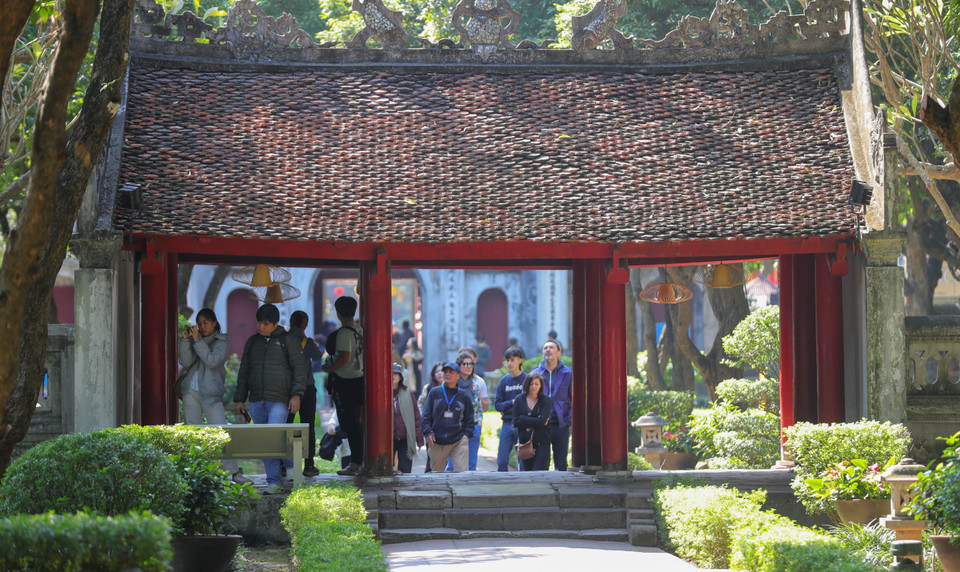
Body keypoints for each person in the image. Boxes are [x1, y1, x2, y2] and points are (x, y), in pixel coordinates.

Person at [234, 303, 308, 494]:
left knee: (275, 436)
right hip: (257, 399)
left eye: (265, 323)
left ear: (275, 324)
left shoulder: (288, 341)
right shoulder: (252, 342)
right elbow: (244, 372)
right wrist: (240, 398)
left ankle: (288, 467)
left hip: (280, 399)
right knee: (267, 441)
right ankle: (274, 481)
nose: (260, 327)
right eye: (259, 322)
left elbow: (300, 370)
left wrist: (296, 395)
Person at [178, 308, 249, 484]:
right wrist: (186, 340)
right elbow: (185, 362)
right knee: (193, 431)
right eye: (199, 323)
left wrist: (197, 341)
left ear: (214, 323)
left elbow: (211, 361)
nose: (202, 327)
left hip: (210, 392)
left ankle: (232, 472)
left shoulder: (222, 341)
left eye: (206, 323)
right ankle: (197, 471)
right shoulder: (196, 339)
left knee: (220, 431)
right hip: (190, 390)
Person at [321, 296, 365, 476]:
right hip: (359, 380)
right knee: (354, 422)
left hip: (346, 381)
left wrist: (330, 368)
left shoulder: (344, 333)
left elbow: (345, 357)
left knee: (350, 423)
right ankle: (358, 460)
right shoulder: (359, 329)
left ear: (338, 313)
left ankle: (356, 462)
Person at [287, 310, 325, 477]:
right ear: (305, 324)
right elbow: (317, 356)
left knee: (285, 424)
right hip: (307, 387)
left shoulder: (283, 339)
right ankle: (309, 465)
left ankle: (284, 465)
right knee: (308, 425)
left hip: (287, 388)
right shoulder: (304, 341)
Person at [421, 362, 474, 472]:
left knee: (462, 473)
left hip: (458, 440)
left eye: (451, 372)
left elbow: (470, 418)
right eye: (445, 372)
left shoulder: (464, 396)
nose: (447, 374)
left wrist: (466, 435)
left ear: (458, 376)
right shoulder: (435, 392)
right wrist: (428, 432)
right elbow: (426, 415)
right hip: (437, 440)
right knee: (435, 475)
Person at [533, 339, 573, 472]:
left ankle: (562, 490)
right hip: (541, 424)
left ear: (559, 353)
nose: (548, 350)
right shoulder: (535, 374)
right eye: (545, 348)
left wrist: (568, 419)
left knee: (561, 463)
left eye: (551, 348)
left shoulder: (568, 374)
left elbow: (574, 399)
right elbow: (527, 397)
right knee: (541, 462)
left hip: (560, 423)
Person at [449, 349, 488, 471]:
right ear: (459, 366)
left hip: (473, 425)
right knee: (452, 465)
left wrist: (479, 422)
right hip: (454, 426)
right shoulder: (452, 382)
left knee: (471, 465)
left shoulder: (478, 382)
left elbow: (483, 405)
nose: (468, 367)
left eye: (470, 364)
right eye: (465, 364)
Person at [494, 346, 526, 472]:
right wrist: (513, 402)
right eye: (508, 360)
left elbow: (529, 402)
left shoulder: (527, 380)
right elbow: (497, 405)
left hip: (523, 424)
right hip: (507, 424)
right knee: (501, 461)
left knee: (523, 462)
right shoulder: (504, 381)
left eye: (512, 360)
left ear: (520, 360)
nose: (509, 363)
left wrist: (507, 405)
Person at [512, 371, 552, 471]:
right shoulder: (519, 399)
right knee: (528, 473)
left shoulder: (545, 400)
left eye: (536, 384)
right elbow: (516, 422)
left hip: (542, 443)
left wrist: (523, 418)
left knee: (538, 472)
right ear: (527, 384)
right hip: (525, 443)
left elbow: (542, 421)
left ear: (540, 386)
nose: (533, 386)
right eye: (531, 384)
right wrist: (536, 420)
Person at [392, 363, 423, 474]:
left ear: (400, 377)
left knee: (405, 469)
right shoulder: (381, 392)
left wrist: (419, 438)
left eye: (396, 373)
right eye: (391, 373)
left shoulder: (408, 393)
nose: (393, 376)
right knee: (385, 467)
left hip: (405, 437)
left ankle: (404, 490)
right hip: (387, 438)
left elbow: (416, 416)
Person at [419, 361, 444, 473]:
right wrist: (424, 417)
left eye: (442, 371)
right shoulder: (428, 388)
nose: (440, 374)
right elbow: (420, 403)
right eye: (437, 371)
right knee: (431, 454)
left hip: (447, 425)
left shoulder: (452, 388)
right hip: (432, 426)